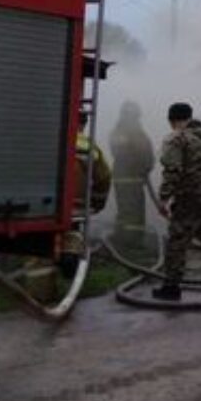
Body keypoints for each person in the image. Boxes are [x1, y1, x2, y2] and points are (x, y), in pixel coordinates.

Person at [152, 102, 201, 301]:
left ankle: (171, 287)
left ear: (172, 120)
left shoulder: (176, 139)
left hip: (192, 194)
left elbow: (173, 171)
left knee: (178, 239)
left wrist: (163, 199)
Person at [58, 110, 112, 276]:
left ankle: (40, 289)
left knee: (41, 244)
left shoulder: (51, 138)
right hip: (75, 204)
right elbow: (104, 177)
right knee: (72, 233)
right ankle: (70, 267)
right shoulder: (88, 146)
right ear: (83, 124)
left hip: (45, 204)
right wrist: (97, 203)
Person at [109, 100, 154, 250]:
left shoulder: (120, 131)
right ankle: (132, 242)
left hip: (124, 177)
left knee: (125, 210)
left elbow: (121, 150)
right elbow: (142, 152)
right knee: (134, 212)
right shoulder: (133, 132)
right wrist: (146, 165)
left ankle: (121, 237)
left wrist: (146, 165)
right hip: (132, 178)